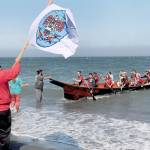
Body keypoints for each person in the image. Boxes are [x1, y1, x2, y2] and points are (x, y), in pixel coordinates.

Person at [0, 41, 28, 150]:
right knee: (4, 134)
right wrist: (23, 48)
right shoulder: (2, 74)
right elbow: (15, 70)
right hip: (3, 110)